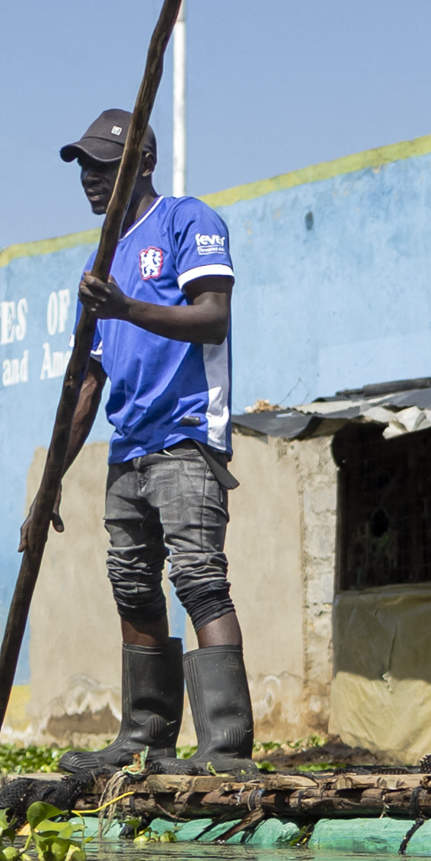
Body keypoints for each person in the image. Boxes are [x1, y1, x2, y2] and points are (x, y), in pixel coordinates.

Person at [53, 109, 251, 774]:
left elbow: (213, 319)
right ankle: (145, 737)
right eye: (83, 166)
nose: (89, 178)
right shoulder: (97, 265)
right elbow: (88, 384)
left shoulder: (187, 221)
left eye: (103, 165)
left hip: (187, 436)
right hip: (128, 446)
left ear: (143, 163)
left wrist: (125, 306)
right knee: (132, 586)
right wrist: (49, 481)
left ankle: (225, 749)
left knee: (198, 580)